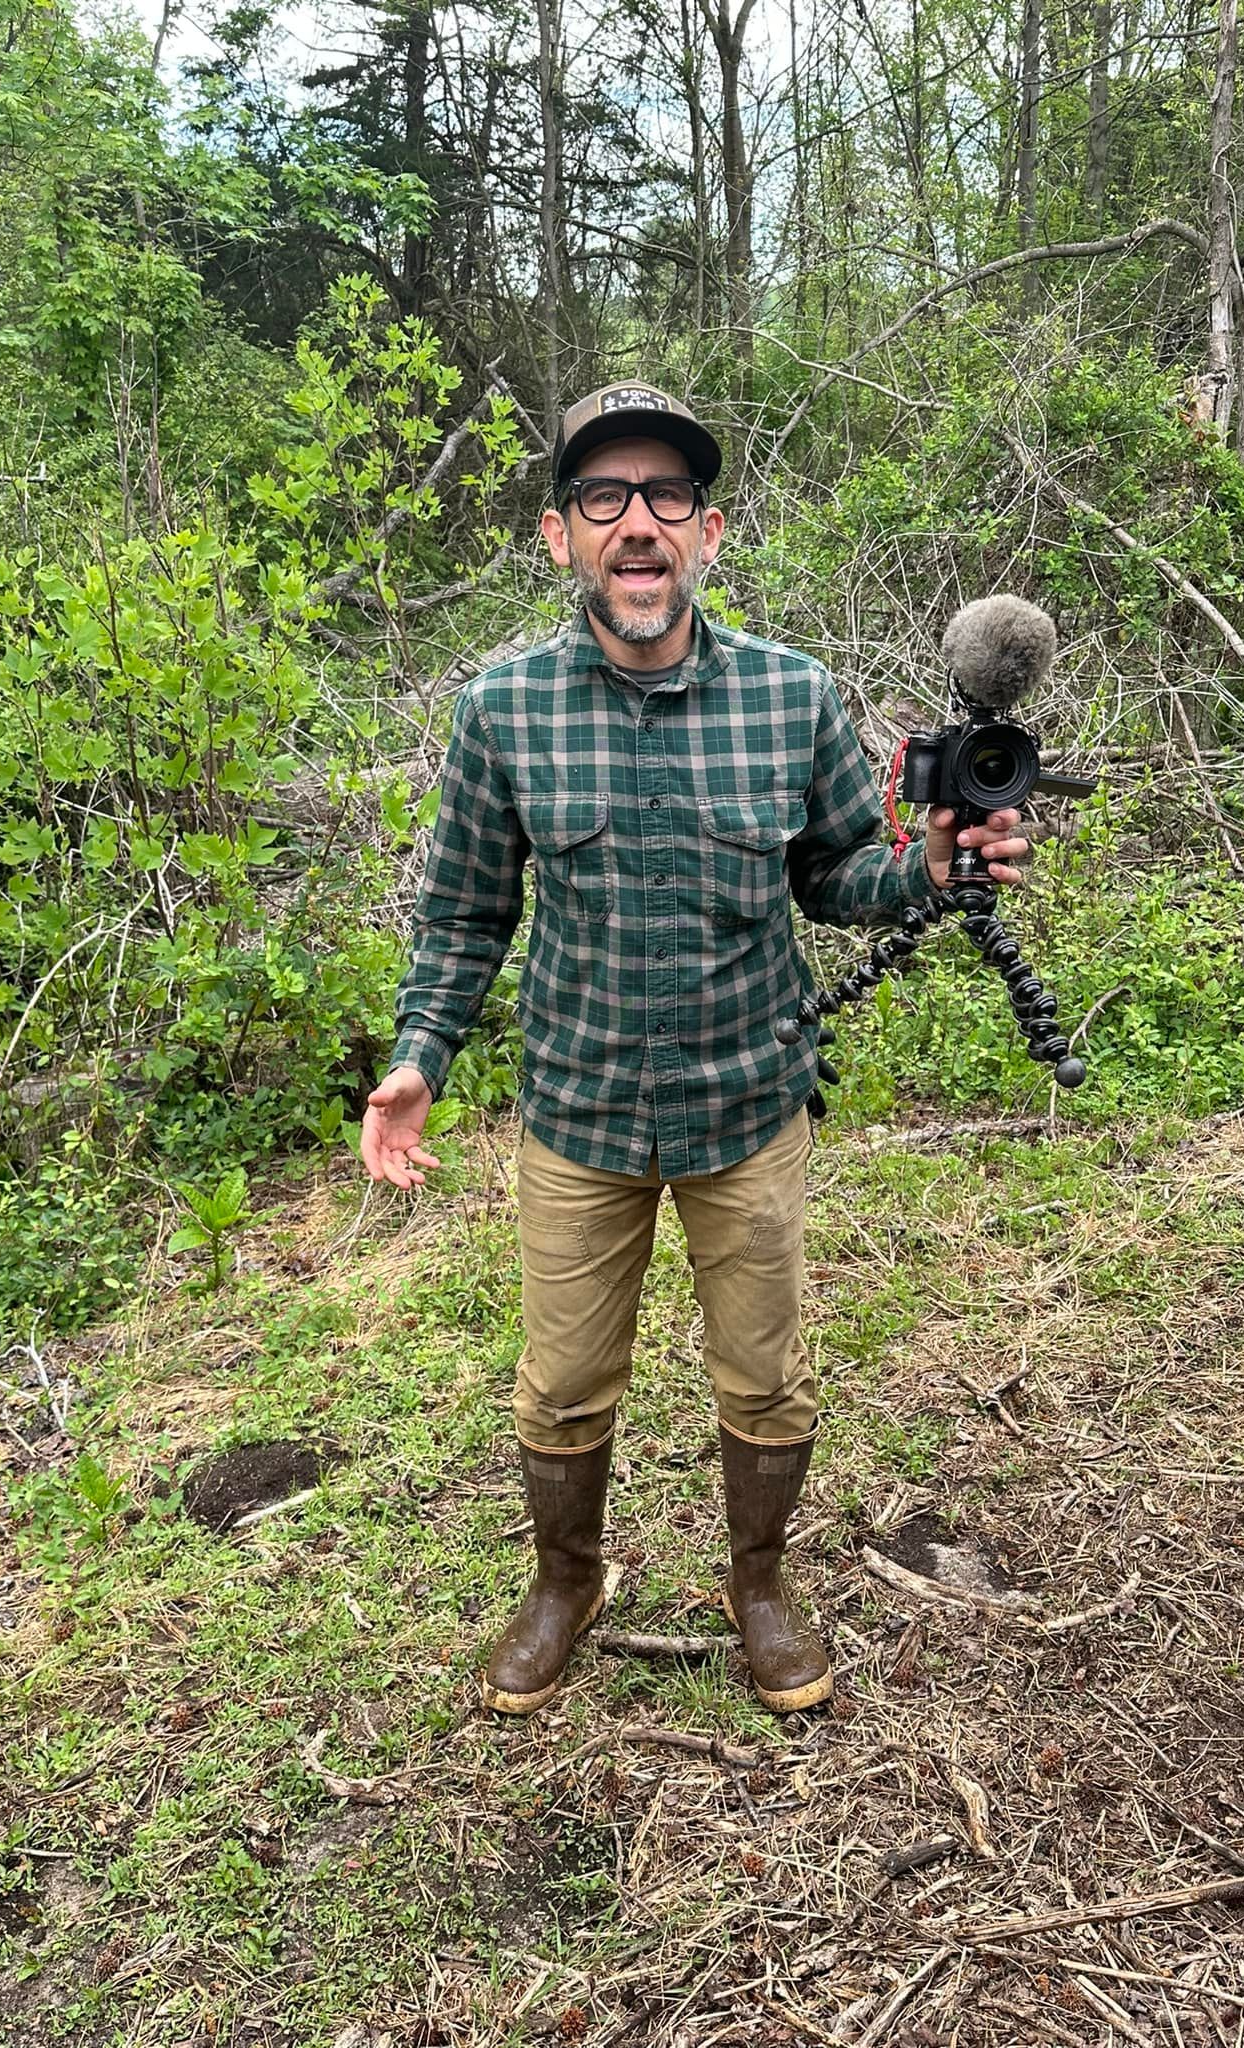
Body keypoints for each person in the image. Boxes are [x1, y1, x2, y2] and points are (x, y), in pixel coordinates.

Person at [361, 382, 1029, 1717]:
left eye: (666, 497)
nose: (638, 524)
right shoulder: (503, 710)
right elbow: (466, 908)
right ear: (562, 539)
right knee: (558, 1385)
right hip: (579, 1111)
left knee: (768, 1372)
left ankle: (760, 1584)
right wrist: (421, 1053)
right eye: (604, 498)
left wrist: (937, 861)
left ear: (709, 532)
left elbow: (841, 873)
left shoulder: (792, 698)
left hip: (747, 1105)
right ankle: (567, 1583)